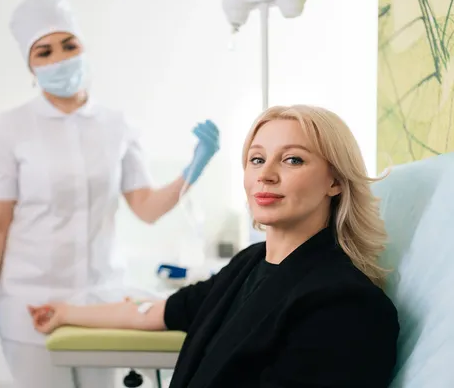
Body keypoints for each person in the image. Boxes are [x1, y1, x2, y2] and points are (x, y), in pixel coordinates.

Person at [29, 105, 400, 388]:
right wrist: (65, 313)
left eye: (292, 159)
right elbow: (154, 312)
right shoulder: (248, 264)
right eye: (257, 159)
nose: (266, 174)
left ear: (335, 182)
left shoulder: (345, 304)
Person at [0, 0, 220, 388]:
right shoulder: (11, 127)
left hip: (101, 303)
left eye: (69, 45)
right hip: (30, 303)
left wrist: (191, 172)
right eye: (44, 51)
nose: (60, 58)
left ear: (84, 49)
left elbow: (146, 207)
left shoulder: (117, 125)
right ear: (31, 67)